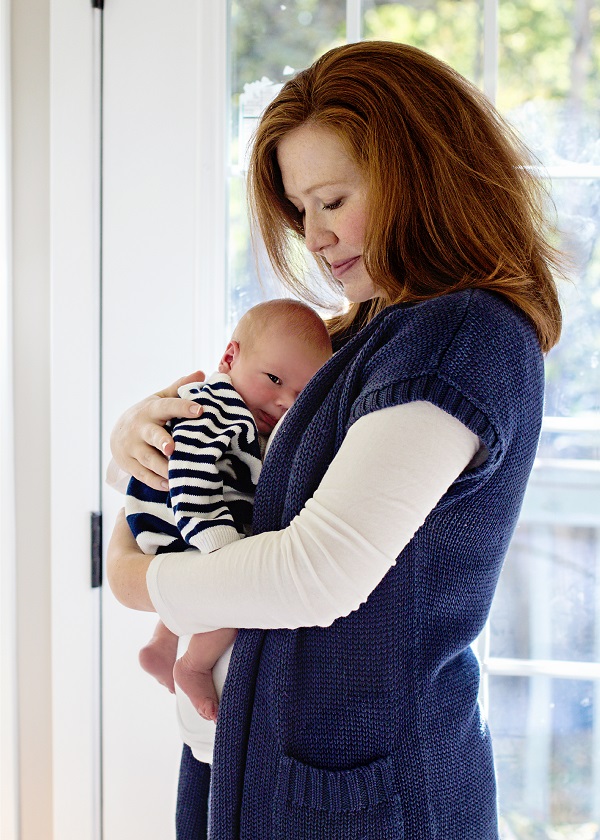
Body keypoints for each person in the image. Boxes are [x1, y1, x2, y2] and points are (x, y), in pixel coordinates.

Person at [106, 40, 563, 840]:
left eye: (332, 199)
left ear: (420, 173)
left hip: (369, 794)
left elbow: (314, 574)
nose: (313, 238)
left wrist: (133, 579)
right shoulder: (362, 336)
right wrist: (136, 443)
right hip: (269, 758)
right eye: (300, 209)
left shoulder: (458, 338)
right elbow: (233, 485)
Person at [124, 298, 332, 734]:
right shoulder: (218, 407)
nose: (281, 402)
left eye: (299, 395)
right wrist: (221, 546)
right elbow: (191, 468)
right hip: (181, 517)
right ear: (230, 357)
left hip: (178, 522)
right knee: (239, 595)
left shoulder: (242, 414)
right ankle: (193, 666)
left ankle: (163, 644)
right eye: (273, 379)